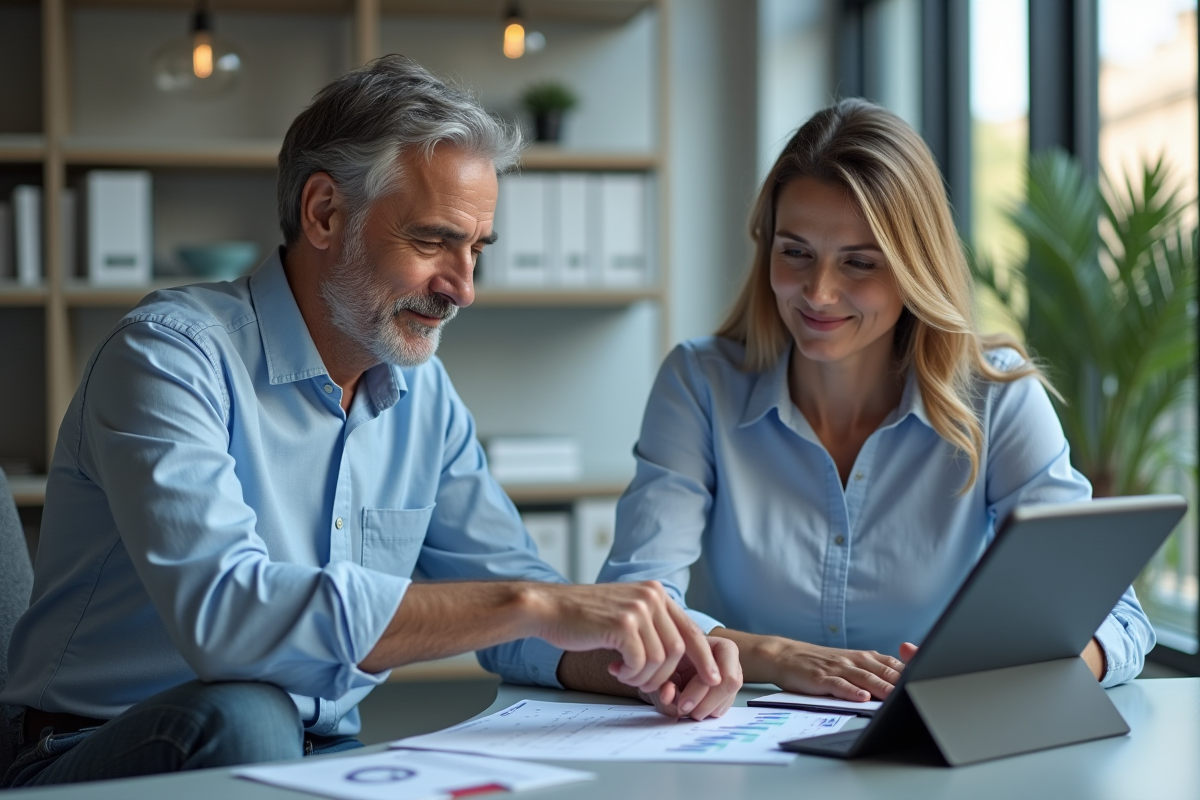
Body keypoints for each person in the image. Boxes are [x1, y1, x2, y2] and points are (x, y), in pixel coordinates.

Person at [0, 56, 741, 788]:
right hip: (88, 754)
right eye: (432, 241)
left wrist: (647, 662)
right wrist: (534, 605)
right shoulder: (169, 357)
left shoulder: (425, 394)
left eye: (476, 250)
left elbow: (527, 625)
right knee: (247, 715)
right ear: (324, 213)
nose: (464, 289)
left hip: (317, 757)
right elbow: (227, 619)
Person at [597, 98, 1153, 704]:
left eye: (859, 263)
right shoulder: (700, 383)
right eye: (795, 252)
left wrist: (1007, 672)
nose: (818, 292)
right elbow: (634, 609)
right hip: (739, 751)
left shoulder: (997, 400)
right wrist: (779, 658)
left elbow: (1119, 623)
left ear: (917, 267)